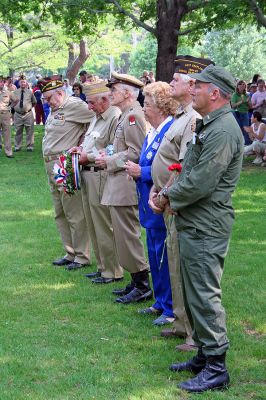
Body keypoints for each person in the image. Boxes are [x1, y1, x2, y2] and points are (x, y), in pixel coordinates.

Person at [163, 64, 244, 393]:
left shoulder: (223, 130)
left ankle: (216, 367)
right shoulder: (210, 124)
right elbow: (189, 169)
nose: (191, 89)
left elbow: (201, 182)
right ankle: (203, 354)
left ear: (215, 93)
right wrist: (169, 192)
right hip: (194, 221)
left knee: (205, 294)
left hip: (206, 224)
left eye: (198, 85)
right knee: (192, 290)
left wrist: (168, 196)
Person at [149, 72, 199, 351]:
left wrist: (165, 194)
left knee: (184, 267)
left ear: (192, 85)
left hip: (176, 203)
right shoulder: (182, 116)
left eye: (177, 79)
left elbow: (182, 166)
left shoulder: (192, 119)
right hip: (167, 199)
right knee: (173, 263)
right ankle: (181, 323)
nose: (171, 84)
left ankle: (193, 332)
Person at [95, 72, 152, 304]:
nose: (110, 94)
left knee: (128, 236)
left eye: (114, 90)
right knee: (122, 236)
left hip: (126, 184)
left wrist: (109, 160)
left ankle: (142, 285)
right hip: (118, 183)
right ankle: (135, 280)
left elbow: (137, 153)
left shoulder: (134, 116)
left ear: (128, 93)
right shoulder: (127, 115)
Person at [125, 81, 178, 325]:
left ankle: (169, 308)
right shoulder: (153, 131)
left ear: (161, 106)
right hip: (148, 203)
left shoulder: (170, 130)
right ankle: (159, 302)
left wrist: (141, 172)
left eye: (147, 104)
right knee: (155, 253)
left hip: (160, 202)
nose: (144, 108)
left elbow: (170, 169)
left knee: (163, 257)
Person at [69, 81, 124, 284]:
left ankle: (112, 271)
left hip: (100, 174)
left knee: (104, 225)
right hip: (87, 174)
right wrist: (79, 150)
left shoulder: (114, 117)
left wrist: (88, 157)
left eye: (92, 102)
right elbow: (90, 141)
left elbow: (112, 148)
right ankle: (102, 267)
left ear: (104, 99)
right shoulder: (96, 117)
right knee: (92, 224)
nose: (89, 107)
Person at [42, 80, 94, 270]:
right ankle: (70, 252)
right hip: (51, 165)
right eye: (45, 99)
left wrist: (83, 145)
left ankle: (82, 255)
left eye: (49, 98)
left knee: (74, 213)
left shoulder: (75, 105)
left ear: (60, 93)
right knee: (60, 212)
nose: (48, 102)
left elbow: (97, 119)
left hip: (65, 164)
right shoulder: (57, 109)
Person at [13, 76, 37, 152]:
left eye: (24, 82)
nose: (22, 83)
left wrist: (27, 108)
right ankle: (17, 146)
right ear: (19, 83)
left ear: (26, 83)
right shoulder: (15, 92)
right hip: (18, 115)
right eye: (21, 82)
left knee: (29, 131)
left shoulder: (30, 92)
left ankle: (29, 146)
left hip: (28, 114)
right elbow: (12, 102)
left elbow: (34, 102)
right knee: (18, 131)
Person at [0, 76, 18, 158]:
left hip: (5, 115)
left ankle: (9, 152)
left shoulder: (8, 92)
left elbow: (16, 100)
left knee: (6, 133)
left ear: (4, 83)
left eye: (2, 82)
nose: (0, 83)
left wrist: (10, 107)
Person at [231, 80, 252, 145]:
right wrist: (241, 101)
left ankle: (247, 143)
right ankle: (237, 144)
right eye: (240, 84)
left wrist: (248, 102)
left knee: (246, 128)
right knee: (238, 129)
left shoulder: (247, 94)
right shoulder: (234, 95)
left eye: (243, 84)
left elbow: (251, 106)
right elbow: (233, 106)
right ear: (237, 86)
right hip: (237, 113)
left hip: (245, 113)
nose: (242, 85)